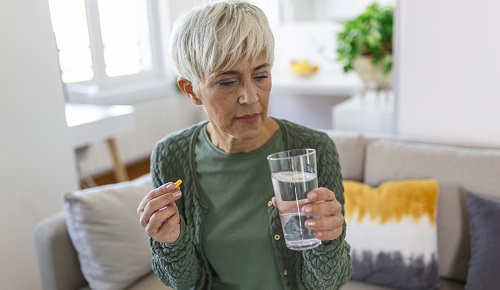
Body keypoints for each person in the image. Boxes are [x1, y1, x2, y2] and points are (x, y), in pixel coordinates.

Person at [137, 1, 352, 289]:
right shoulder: (170, 156)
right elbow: (186, 281)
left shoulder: (313, 148)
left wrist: (329, 239)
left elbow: (327, 283)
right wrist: (169, 241)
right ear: (191, 90)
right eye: (227, 82)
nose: (251, 97)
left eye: (261, 75)